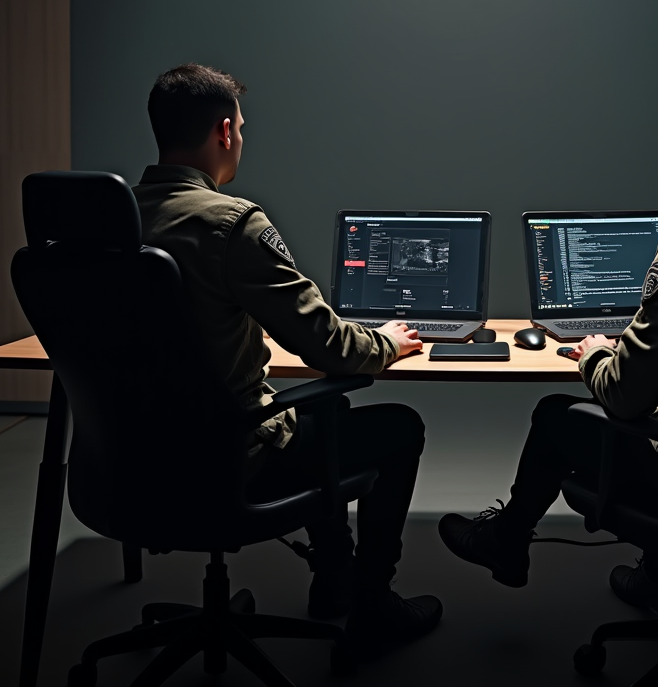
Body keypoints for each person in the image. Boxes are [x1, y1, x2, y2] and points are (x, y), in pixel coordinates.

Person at [438, 79, 658, 615]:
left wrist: (597, 354)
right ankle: (657, 577)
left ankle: (507, 541)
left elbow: (625, 398)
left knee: (558, 416)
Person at [132, 63, 441, 657]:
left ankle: (335, 579)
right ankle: (372, 603)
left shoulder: (111, 227)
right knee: (398, 427)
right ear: (225, 133)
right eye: (241, 129)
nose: (241, 140)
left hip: (127, 464)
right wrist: (387, 343)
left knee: (312, 423)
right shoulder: (231, 224)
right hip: (225, 463)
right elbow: (330, 348)